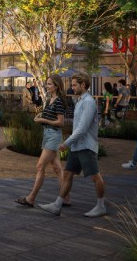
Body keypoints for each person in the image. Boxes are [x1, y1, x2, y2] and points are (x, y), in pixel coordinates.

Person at [39, 72, 107, 218]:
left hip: (86, 146)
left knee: (95, 176)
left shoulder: (88, 102)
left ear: (83, 85)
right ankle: (57, 205)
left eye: (75, 85)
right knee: (68, 174)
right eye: (72, 84)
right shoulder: (80, 101)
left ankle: (101, 206)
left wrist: (66, 143)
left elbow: (82, 129)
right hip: (77, 146)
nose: (72, 87)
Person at [16, 75, 70, 208]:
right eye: (47, 84)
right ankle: (67, 198)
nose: (47, 86)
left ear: (57, 86)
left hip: (53, 136)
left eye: (50, 84)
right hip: (47, 134)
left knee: (40, 166)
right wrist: (40, 116)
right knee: (57, 168)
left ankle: (31, 198)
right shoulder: (49, 99)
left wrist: (44, 120)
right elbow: (48, 116)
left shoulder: (59, 101)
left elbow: (61, 122)